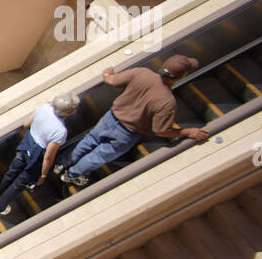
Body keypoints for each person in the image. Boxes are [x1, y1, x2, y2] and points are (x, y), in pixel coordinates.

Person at [56, 54, 208, 187]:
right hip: (127, 134)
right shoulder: (167, 102)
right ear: (181, 76)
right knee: (98, 156)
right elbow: (161, 131)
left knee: (88, 141)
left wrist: (108, 74)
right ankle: (72, 174)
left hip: (110, 118)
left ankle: (62, 164)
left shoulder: (141, 73)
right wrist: (187, 132)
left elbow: (112, 80)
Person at [0, 92, 79, 217]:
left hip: (26, 144)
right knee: (18, 184)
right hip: (37, 155)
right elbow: (48, 157)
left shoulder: (44, 107)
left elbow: (26, 124)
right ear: (70, 112)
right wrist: (43, 175)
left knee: (10, 174)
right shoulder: (60, 131)